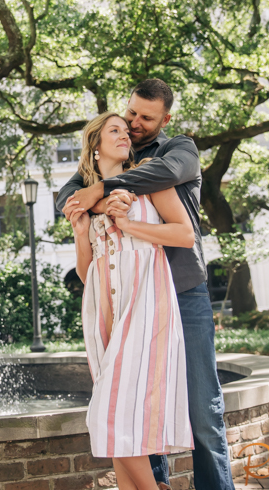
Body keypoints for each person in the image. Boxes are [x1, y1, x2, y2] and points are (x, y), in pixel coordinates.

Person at [58, 79, 236, 490]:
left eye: (145, 118)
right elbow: (70, 194)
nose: (134, 124)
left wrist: (104, 190)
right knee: (135, 409)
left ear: (165, 119)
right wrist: (98, 202)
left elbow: (168, 175)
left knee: (201, 410)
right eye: (130, 113)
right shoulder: (115, 152)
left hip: (181, 290)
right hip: (128, 297)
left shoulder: (177, 150)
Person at [70, 111, 194, 490]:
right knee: (117, 425)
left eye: (126, 131)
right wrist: (79, 231)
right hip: (103, 309)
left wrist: (128, 225)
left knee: (111, 417)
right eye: (115, 131)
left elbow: (184, 234)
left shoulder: (149, 178)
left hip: (145, 300)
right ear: (95, 147)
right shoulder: (86, 200)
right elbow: (84, 271)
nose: (125, 135)